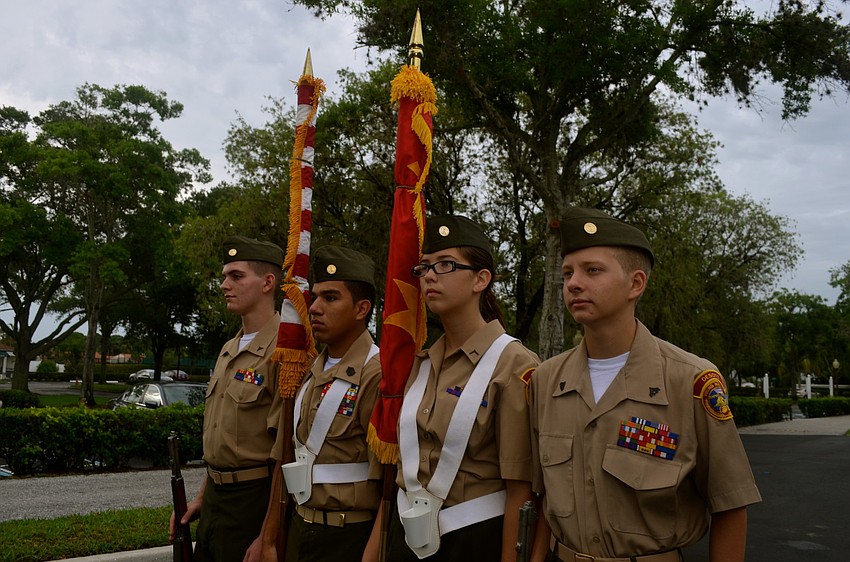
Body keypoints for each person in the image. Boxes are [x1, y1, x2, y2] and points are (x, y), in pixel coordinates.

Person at [529, 208, 762, 562]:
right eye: (568, 273)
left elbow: (729, 503)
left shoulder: (690, 381)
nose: (574, 282)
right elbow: (543, 498)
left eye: (592, 270)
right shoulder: (545, 381)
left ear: (635, 284)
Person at [382, 214, 540, 562]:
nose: (430, 277)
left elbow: (521, 489)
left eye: (446, 265)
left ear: (481, 279)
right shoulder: (422, 362)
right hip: (406, 537)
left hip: (473, 540)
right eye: (424, 268)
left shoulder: (514, 364)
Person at [171, 235, 286, 561]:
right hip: (216, 500)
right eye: (224, 276)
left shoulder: (285, 353)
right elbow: (224, 441)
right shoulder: (228, 349)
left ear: (267, 283)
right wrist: (201, 499)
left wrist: (267, 536)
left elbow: (285, 454)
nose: (224, 285)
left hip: (253, 502)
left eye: (236, 276)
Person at [279, 245, 383, 561]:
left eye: (331, 298)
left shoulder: (377, 373)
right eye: (315, 297)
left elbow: (389, 486)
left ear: (362, 308)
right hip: (300, 527)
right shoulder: (309, 370)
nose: (314, 308)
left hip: (347, 537)